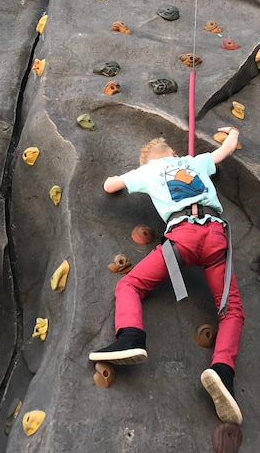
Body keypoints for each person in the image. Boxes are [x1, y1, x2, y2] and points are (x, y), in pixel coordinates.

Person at [88, 127, 245, 424]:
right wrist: (233, 132)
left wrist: (118, 178)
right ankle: (223, 370)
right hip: (215, 236)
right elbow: (226, 150)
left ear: (147, 161)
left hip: (181, 239)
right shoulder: (195, 161)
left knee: (130, 284)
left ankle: (131, 336)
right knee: (231, 311)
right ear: (174, 153)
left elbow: (111, 186)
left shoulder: (147, 172)